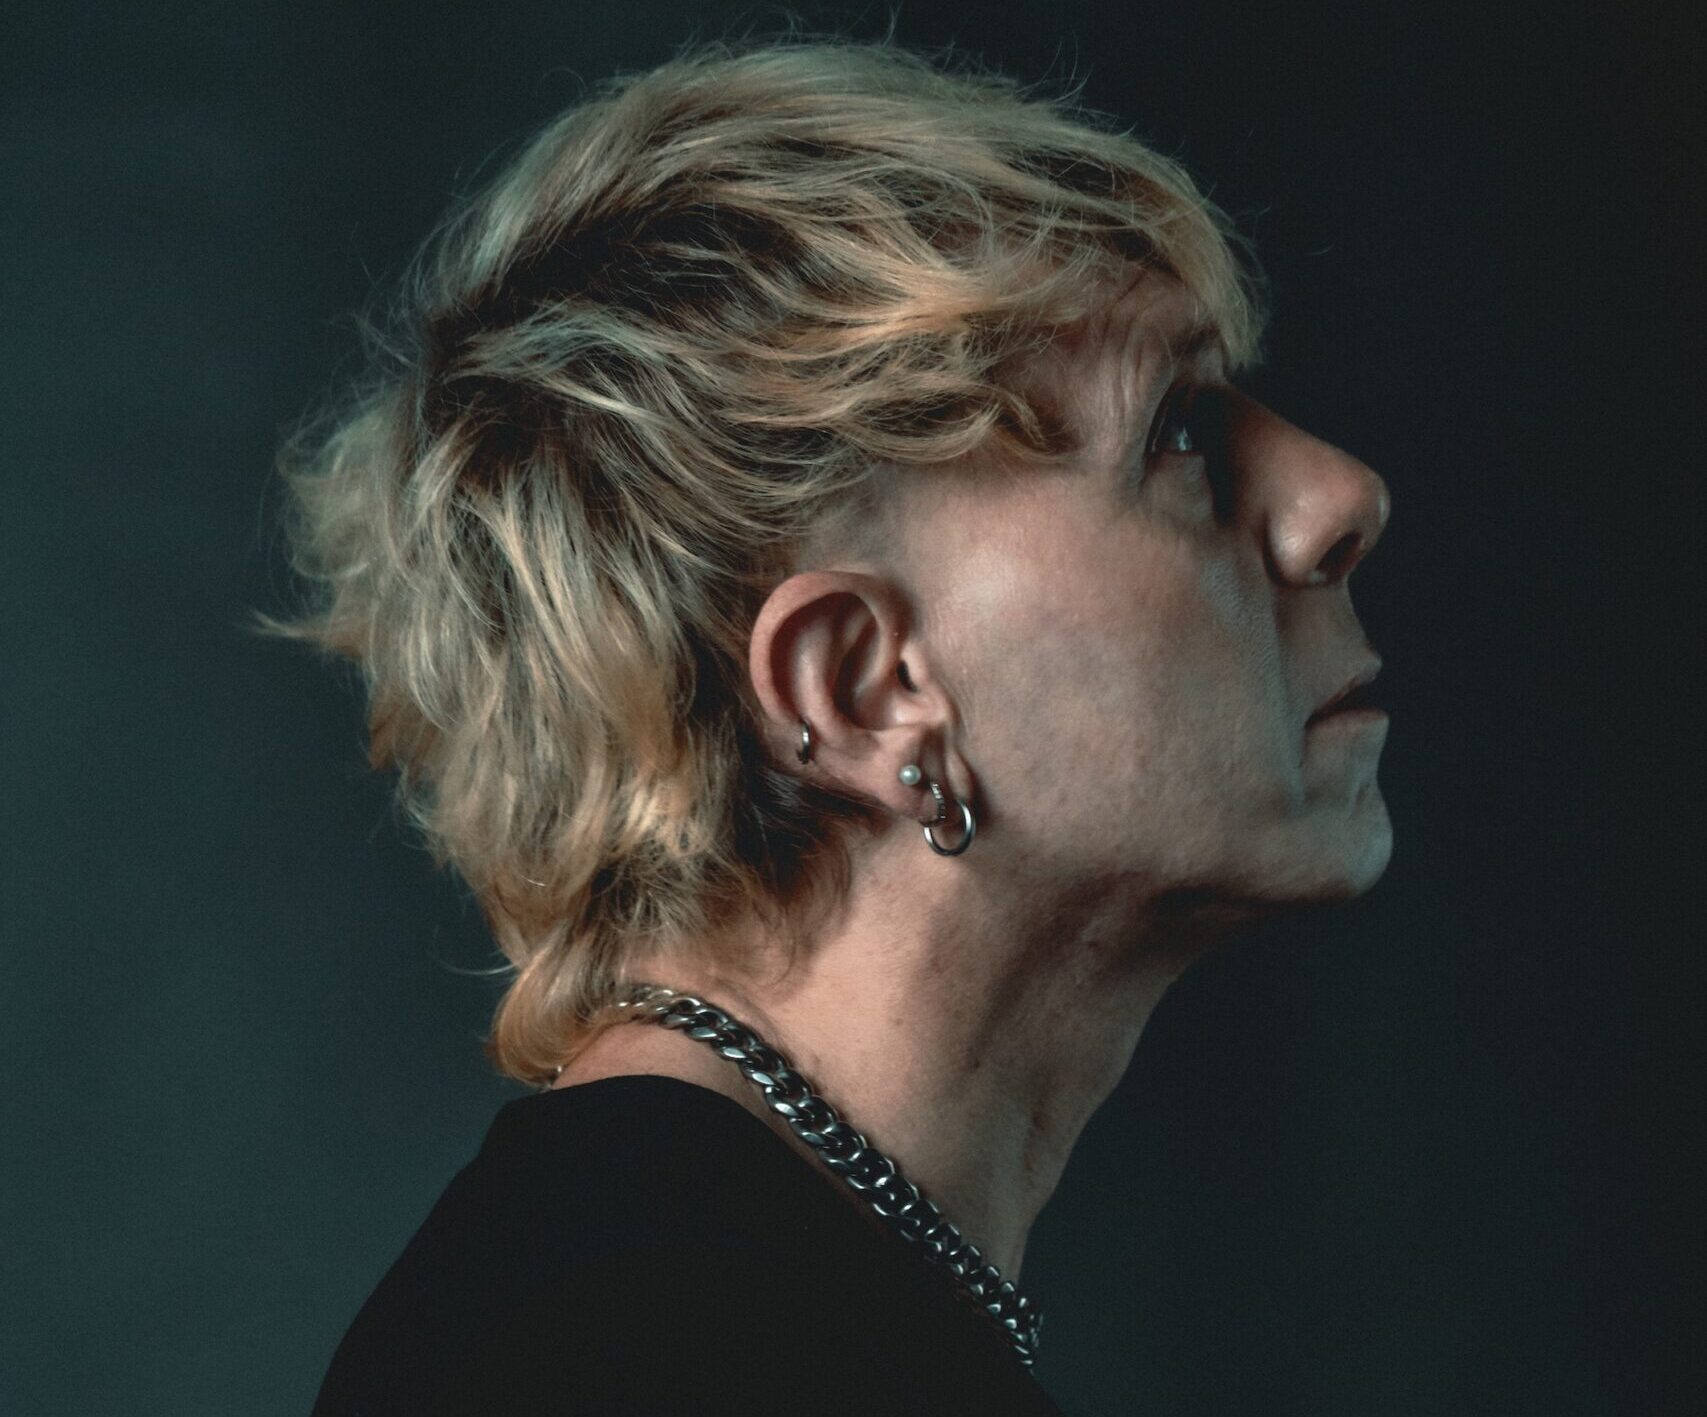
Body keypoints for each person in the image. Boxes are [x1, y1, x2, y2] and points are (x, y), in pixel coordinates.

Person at [263, 33, 1391, 1417]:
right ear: (861, 691)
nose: (1339, 496)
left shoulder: (723, 1291)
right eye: (1179, 432)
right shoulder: (635, 1351)